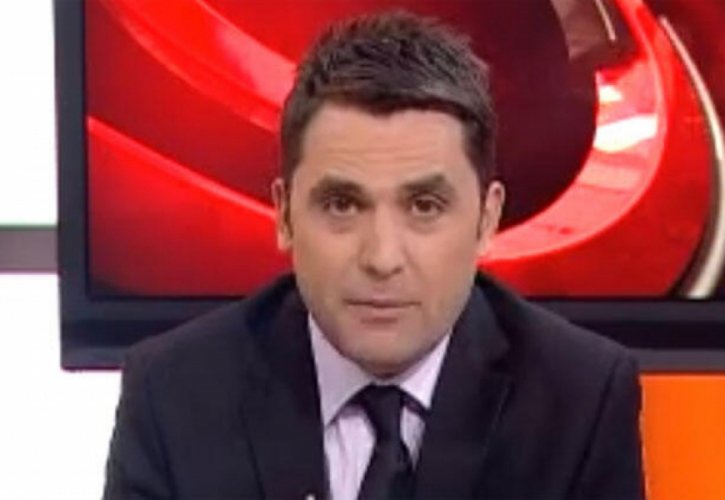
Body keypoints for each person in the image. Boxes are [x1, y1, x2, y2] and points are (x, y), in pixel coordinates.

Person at [104, 7, 644, 500]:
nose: (382, 258)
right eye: (342, 205)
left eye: (425, 206)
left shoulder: (580, 401)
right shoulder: (173, 394)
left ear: (486, 219)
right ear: (285, 215)